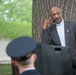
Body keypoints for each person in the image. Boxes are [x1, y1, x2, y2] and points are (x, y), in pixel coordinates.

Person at [41, 6, 76, 75]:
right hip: (61, 66)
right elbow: (44, 45)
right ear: (51, 17)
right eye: (54, 14)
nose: (57, 16)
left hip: (74, 62)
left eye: (58, 13)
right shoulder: (50, 30)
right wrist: (44, 27)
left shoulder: (73, 25)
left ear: (61, 13)